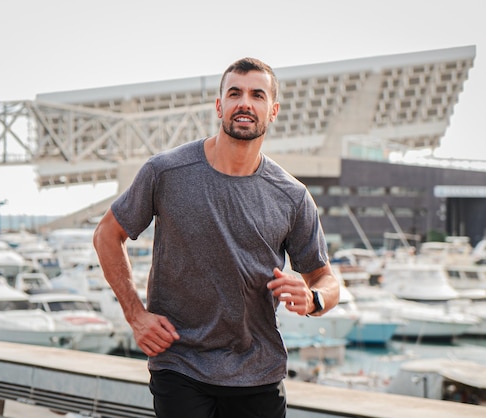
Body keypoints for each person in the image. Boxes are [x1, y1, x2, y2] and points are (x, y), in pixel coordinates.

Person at [93, 57, 340, 418]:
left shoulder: (292, 195)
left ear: (273, 111)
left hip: (259, 372)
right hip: (181, 365)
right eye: (235, 93)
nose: (245, 103)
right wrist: (136, 315)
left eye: (257, 95)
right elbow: (106, 235)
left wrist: (314, 297)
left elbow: (326, 278)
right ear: (219, 106)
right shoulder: (166, 172)